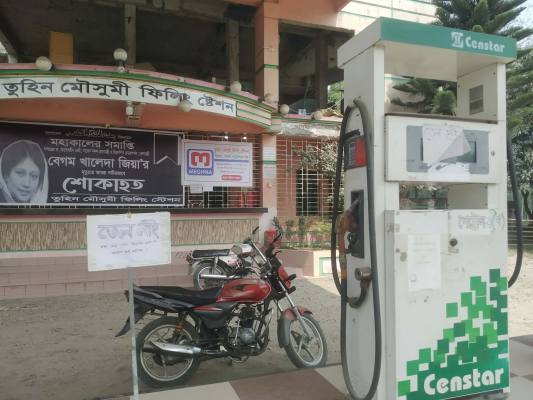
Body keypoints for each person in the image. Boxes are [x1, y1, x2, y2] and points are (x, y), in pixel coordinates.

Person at [336, 200, 360, 280]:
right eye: (348, 228)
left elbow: (348, 211)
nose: (350, 230)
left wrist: (356, 201)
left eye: (351, 224)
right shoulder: (342, 230)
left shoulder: (345, 217)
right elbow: (342, 252)